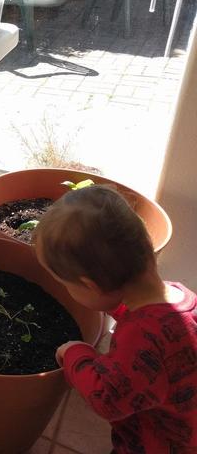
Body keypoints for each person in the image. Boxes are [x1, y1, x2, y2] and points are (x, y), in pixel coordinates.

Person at [34, 185, 196, 453]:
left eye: (66, 285)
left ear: (91, 285)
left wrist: (76, 354)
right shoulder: (179, 297)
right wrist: (120, 313)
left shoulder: (141, 342)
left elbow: (107, 399)